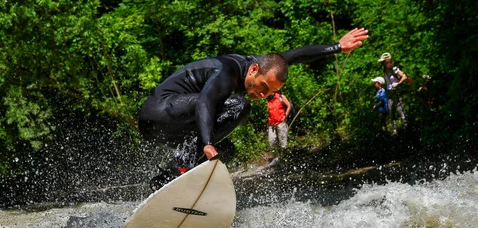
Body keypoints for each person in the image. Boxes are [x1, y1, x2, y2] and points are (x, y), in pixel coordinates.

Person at [139, 28, 369, 190]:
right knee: (239, 107)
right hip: (158, 112)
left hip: (168, 128)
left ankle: (164, 181)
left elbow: (297, 55)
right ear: (254, 69)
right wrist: (207, 143)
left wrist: (338, 46)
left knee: (227, 150)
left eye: (269, 93)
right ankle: (180, 167)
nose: (263, 95)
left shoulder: (266, 67)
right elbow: (204, 102)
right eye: (263, 87)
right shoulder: (227, 71)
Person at [379, 52, 408, 134]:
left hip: (396, 91)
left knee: (399, 109)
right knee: (391, 110)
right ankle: (395, 129)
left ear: (388, 62)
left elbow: (404, 76)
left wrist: (398, 84)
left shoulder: (395, 69)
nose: (382, 64)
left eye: (383, 62)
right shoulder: (384, 71)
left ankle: (405, 126)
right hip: (389, 93)